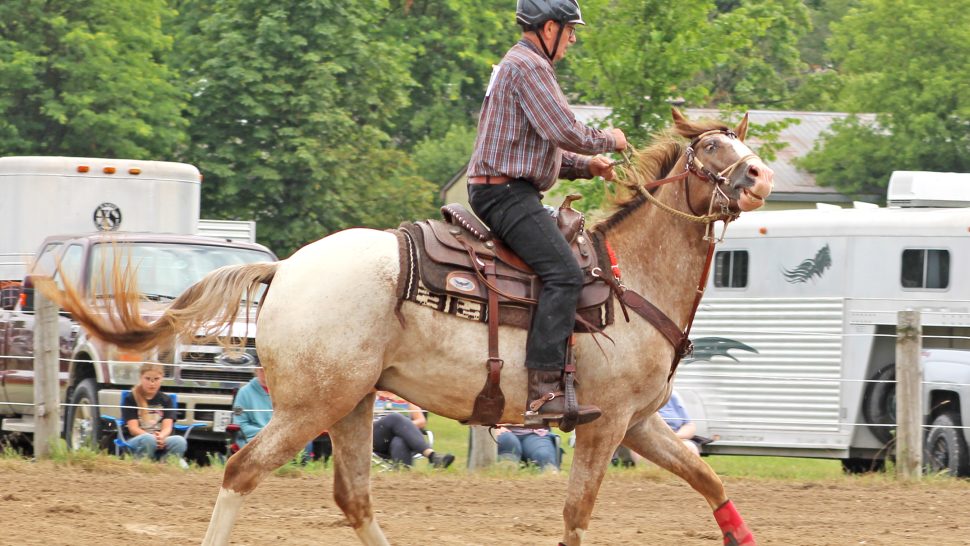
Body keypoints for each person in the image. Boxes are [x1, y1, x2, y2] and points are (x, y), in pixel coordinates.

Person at [466, 0, 627, 429]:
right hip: (506, 195)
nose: (573, 39)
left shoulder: (519, 65)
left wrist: (586, 166)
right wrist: (608, 140)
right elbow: (565, 131)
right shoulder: (530, 68)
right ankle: (543, 392)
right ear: (549, 27)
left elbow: (539, 147)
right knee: (566, 274)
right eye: (570, 30)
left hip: (503, 189)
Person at [233, 364, 330, 461]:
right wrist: (264, 433)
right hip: (256, 438)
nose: (265, 373)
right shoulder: (243, 393)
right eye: (262, 369)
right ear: (256, 370)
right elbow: (239, 423)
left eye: (269, 369)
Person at [121, 363, 187, 463]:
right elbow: (133, 429)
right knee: (148, 439)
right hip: (137, 439)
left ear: (162, 379)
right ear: (141, 378)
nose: (152, 383)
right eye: (147, 379)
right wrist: (153, 438)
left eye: (156, 379)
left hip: (160, 438)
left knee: (179, 441)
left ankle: (165, 465)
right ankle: (143, 464)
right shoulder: (130, 399)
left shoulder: (166, 400)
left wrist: (161, 437)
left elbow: (167, 428)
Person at [373, 391, 454, 469]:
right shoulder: (371, 395)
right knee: (395, 417)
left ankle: (403, 475)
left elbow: (421, 421)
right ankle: (431, 455)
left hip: (405, 439)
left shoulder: (405, 396)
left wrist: (400, 429)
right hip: (376, 438)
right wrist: (397, 425)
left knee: (399, 441)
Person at [496, 425, 560, 472]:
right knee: (508, 450)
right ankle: (506, 472)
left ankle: (550, 475)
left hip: (536, 432)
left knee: (543, 455)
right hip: (502, 431)